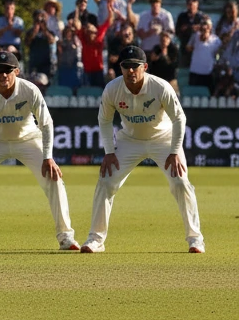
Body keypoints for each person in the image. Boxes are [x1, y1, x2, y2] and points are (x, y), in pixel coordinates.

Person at [80, 45, 204, 254]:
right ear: (120, 68)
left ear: (144, 67)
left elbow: (179, 118)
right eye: (125, 66)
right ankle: (96, 239)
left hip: (162, 139)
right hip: (130, 140)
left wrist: (174, 152)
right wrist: (109, 152)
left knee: (180, 181)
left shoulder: (161, 87)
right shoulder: (112, 88)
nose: (130, 71)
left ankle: (195, 239)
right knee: (106, 181)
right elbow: (104, 120)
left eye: (135, 66)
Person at [0, 51, 77, 252]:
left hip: (27, 139)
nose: (4, 75)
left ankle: (66, 237)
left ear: (17, 71)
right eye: (0, 71)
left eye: (8, 71)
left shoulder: (29, 90)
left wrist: (48, 156)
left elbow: (46, 124)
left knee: (54, 179)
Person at [186, 19, 220, 89]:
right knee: (193, 93)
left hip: (208, 71)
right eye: (203, 24)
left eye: (207, 25)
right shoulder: (195, 36)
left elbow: (218, 54)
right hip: (195, 71)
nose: (205, 27)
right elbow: (188, 48)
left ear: (210, 27)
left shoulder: (216, 39)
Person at [80, 16, 112, 87]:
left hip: (99, 70)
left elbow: (108, 21)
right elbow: (77, 26)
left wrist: (110, 10)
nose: (91, 33)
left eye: (92, 31)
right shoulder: (83, 39)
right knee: (88, 92)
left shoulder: (99, 37)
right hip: (87, 71)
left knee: (100, 90)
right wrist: (77, 11)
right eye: (88, 31)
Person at [23, 10, 56, 78]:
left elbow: (52, 41)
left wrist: (44, 29)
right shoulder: (30, 31)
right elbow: (27, 43)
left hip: (46, 61)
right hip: (34, 61)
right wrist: (35, 31)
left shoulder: (49, 31)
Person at [175, 0, 205, 67]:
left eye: (194, 2)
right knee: (184, 70)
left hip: (198, 49)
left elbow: (208, 31)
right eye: (189, 3)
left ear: (197, 4)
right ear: (187, 4)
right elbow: (177, 32)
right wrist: (187, 28)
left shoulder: (202, 17)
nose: (191, 4)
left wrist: (199, 28)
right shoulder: (182, 16)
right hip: (184, 49)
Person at [57, 25, 83, 89]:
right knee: (63, 86)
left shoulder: (76, 42)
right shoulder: (61, 42)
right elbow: (59, 54)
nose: (69, 34)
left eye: (71, 32)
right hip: (64, 67)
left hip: (74, 67)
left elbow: (79, 53)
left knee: (75, 86)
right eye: (67, 32)